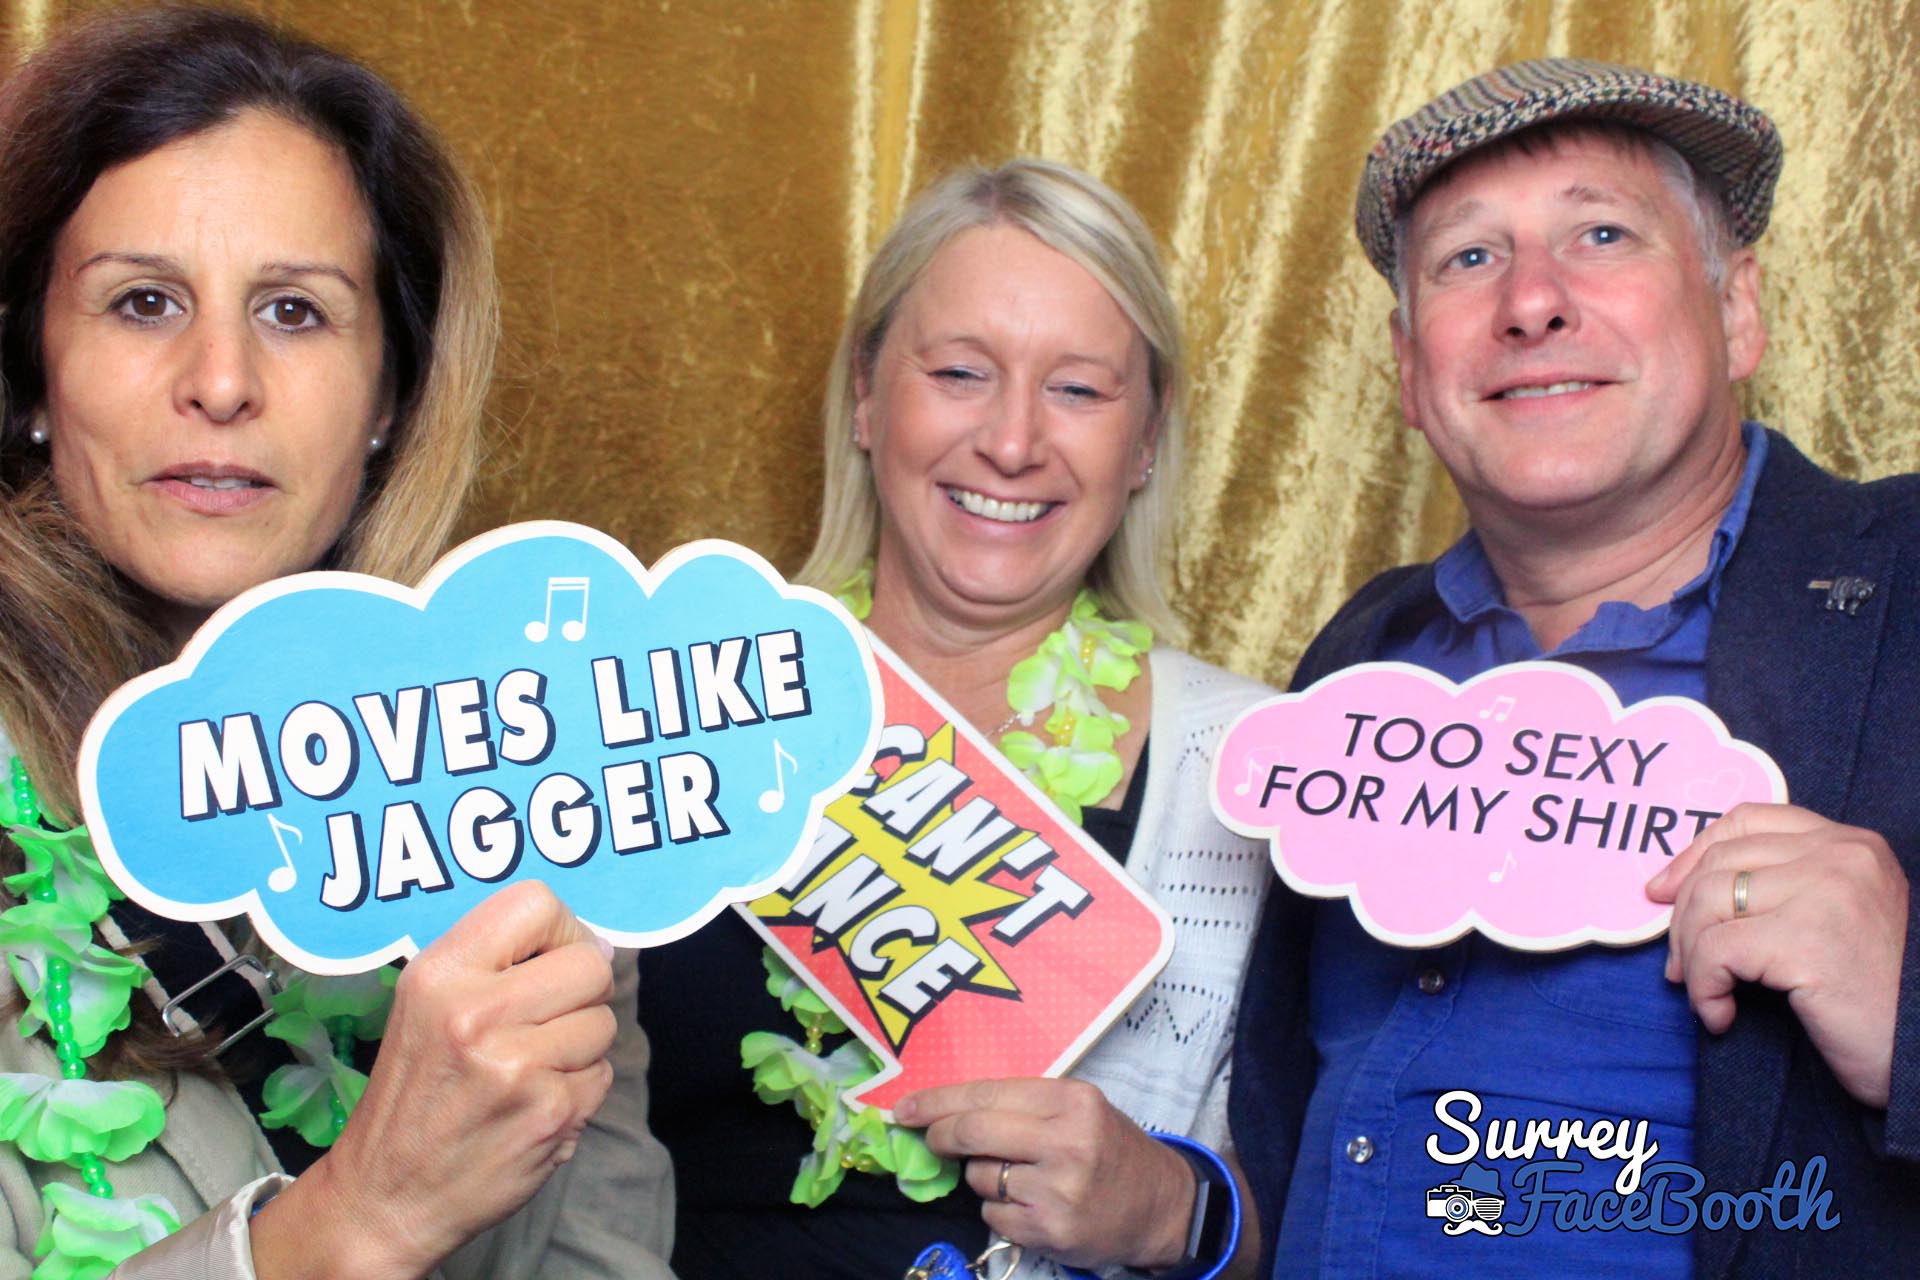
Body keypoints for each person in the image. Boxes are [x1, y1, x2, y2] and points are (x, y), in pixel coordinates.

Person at [0, 9, 671, 1278]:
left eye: (295, 311)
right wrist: (360, 1219)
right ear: (32, 369)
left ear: (390, 397)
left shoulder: (524, 788)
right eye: (143, 301)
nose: (221, 380)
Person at [1230, 58, 1920, 1276]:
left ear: (1738, 308)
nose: (1532, 302)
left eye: (1602, 233)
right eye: (1468, 257)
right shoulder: (1363, 653)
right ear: (1409, 366)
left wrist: (1909, 1016)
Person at [639, 159, 1269, 1278]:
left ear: (1147, 439)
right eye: (962, 372)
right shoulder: (680, 706)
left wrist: (1178, 1210)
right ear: (866, 395)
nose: (1013, 443)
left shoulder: (1248, 770)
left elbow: (1354, 1204)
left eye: (1079, 389)